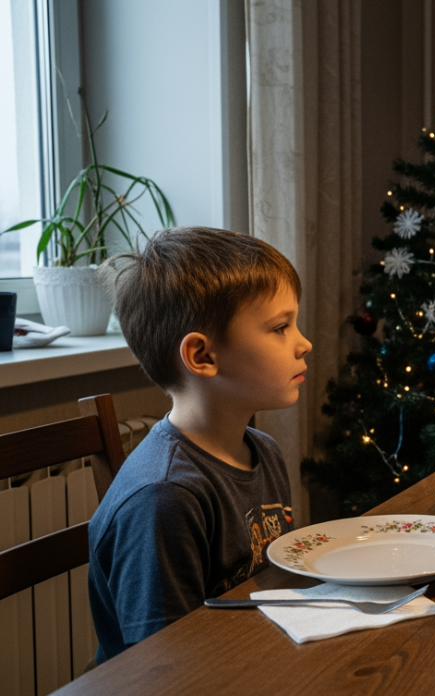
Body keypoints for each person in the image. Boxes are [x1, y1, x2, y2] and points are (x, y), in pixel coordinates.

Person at [89, 227, 312, 662]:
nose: (304, 343)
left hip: (253, 660)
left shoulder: (263, 451)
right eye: (281, 327)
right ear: (202, 356)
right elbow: (164, 665)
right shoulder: (165, 497)